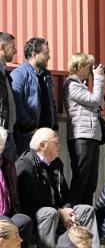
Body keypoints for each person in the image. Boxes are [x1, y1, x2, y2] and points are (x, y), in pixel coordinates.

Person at [15, 128, 100, 248]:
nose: (59, 146)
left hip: (58, 212)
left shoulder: (56, 163)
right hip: (36, 216)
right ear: (43, 145)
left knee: (86, 210)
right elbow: (30, 202)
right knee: (50, 212)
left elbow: (65, 193)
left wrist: (67, 210)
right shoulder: (25, 165)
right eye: (56, 143)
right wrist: (60, 212)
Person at [63, 53, 105, 206]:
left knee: (91, 182)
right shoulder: (71, 85)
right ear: (79, 67)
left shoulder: (82, 85)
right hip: (80, 137)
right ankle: (69, 213)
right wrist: (99, 78)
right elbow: (94, 100)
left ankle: (86, 216)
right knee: (81, 179)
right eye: (89, 68)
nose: (90, 71)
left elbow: (100, 102)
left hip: (91, 135)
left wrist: (96, 80)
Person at [11, 37, 58, 155]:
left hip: (47, 137)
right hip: (28, 137)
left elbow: (52, 104)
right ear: (34, 54)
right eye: (46, 53)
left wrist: (55, 127)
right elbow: (16, 103)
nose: (49, 57)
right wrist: (30, 126)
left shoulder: (46, 76)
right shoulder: (19, 75)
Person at [0, 128, 32, 247]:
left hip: (7, 212)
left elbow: (13, 194)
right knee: (5, 221)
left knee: (24, 220)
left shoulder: (8, 166)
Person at [0, 33, 17, 163]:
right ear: (3, 47)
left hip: (7, 132)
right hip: (2, 133)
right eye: (13, 47)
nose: (15, 50)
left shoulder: (4, 70)